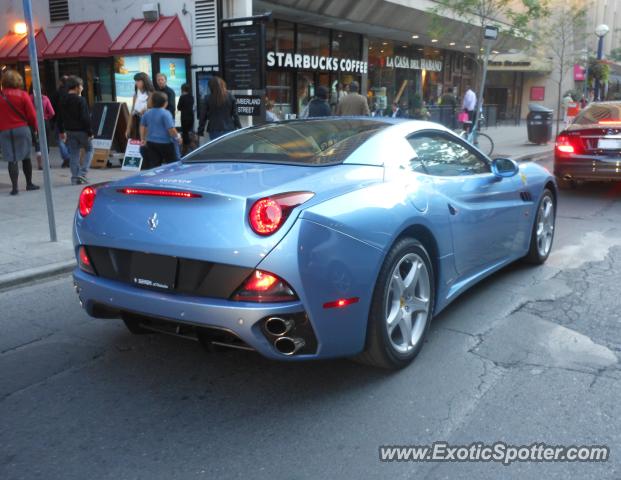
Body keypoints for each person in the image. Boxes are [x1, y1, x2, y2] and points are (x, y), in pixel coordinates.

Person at [0, 69, 39, 195]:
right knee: (26, 156)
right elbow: (32, 115)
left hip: (5, 131)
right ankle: (29, 183)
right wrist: (35, 128)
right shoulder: (23, 95)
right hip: (22, 129)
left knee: (12, 159)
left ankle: (15, 187)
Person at [57, 76, 94, 185]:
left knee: (74, 154)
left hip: (69, 131)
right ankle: (82, 174)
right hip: (82, 131)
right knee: (90, 149)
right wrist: (90, 132)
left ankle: (74, 177)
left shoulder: (63, 100)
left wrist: (61, 131)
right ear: (77, 87)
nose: (82, 88)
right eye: (81, 86)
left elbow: (59, 117)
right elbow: (85, 117)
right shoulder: (80, 100)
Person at [140, 91, 182, 169]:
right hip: (166, 143)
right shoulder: (166, 113)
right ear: (165, 103)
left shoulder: (147, 113)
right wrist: (178, 137)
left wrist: (143, 138)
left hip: (151, 142)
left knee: (154, 164)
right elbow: (171, 129)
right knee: (172, 163)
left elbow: (143, 126)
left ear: (152, 102)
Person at [197, 76, 242, 140]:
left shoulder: (207, 98)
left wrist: (200, 130)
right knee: (229, 149)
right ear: (223, 85)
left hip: (214, 129)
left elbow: (202, 116)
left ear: (210, 87)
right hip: (229, 129)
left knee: (217, 149)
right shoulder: (230, 97)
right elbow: (235, 115)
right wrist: (240, 128)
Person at [29, 83, 55, 170]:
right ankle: (46, 163)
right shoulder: (45, 98)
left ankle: (40, 164)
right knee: (46, 142)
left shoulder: (29, 98)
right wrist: (46, 116)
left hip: (33, 122)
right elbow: (52, 113)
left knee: (37, 142)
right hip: (44, 121)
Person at [50, 75, 71, 168]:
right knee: (69, 140)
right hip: (70, 121)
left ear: (61, 82)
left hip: (59, 120)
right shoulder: (71, 93)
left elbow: (52, 108)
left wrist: (52, 120)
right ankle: (68, 157)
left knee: (60, 140)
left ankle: (67, 158)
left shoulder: (56, 93)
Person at [126, 72, 154, 140]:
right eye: (135, 81)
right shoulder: (135, 95)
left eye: (138, 81)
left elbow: (155, 111)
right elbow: (132, 112)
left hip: (148, 123)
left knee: (146, 143)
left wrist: (146, 110)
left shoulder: (152, 94)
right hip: (137, 121)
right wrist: (128, 128)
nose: (136, 83)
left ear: (145, 81)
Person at [176, 83, 195, 155]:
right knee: (189, 132)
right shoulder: (191, 97)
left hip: (184, 117)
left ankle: (186, 150)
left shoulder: (182, 97)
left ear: (182, 89)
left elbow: (178, 107)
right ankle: (189, 149)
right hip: (191, 116)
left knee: (185, 133)